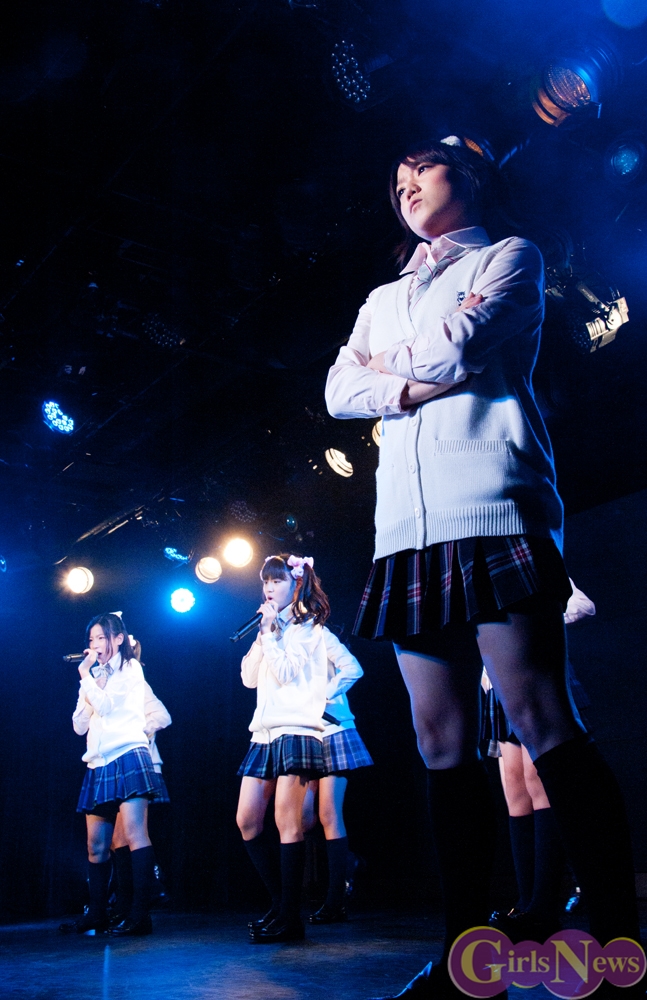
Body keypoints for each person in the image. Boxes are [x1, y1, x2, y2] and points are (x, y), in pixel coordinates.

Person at [325, 137, 641, 998]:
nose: (405, 187)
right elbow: (336, 391)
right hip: (404, 532)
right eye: (395, 179)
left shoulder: (510, 256)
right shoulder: (381, 297)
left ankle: (619, 949)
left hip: (496, 508)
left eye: (420, 170)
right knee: (438, 742)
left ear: (467, 178)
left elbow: (458, 348)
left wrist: (390, 370)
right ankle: (468, 960)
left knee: (541, 719)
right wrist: (404, 373)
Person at [236, 553, 369, 943]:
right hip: (264, 734)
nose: (268, 588)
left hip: (297, 730)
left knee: (292, 822)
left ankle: (291, 917)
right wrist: (263, 635)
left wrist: (321, 698)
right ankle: (281, 904)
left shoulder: (309, 627)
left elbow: (288, 671)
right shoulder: (270, 628)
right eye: (265, 581)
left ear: (295, 585)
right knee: (247, 821)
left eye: (276, 581)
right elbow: (248, 678)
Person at [486, 581, 594, 943]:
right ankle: (526, 903)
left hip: (530, 671)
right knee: (515, 793)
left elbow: (582, 605)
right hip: (495, 685)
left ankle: (544, 905)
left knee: (539, 786)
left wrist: (533, 622)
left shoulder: (520, 563)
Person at [60, 613, 168, 937]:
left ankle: (140, 914)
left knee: (134, 834)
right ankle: (96, 913)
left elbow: (107, 707)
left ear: (118, 639)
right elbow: (79, 725)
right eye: (91, 639)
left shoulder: (131, 668)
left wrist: (87, 679)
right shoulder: (94, 675)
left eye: (101, 638)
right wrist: (88, 684)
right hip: (98, 761)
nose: (95, 645)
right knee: (96, 844)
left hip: (128, 754)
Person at [301, 637, 373, 924]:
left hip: (332, 729)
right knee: (303, 820)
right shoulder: (279, 640)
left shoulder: (321, 635)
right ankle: (348, 860)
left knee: (329, 813)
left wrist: (322, 697)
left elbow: (353, 669)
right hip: (302, 732)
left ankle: (335, 901)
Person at [108, 637, 172, 928]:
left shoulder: (137, 681)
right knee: (117, 840)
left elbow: (162, 716)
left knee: (132, 835)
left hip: (141, 764)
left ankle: (140, 907)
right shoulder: (109, 684)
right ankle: (125, 905)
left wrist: (139, 732)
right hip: (119, 765)